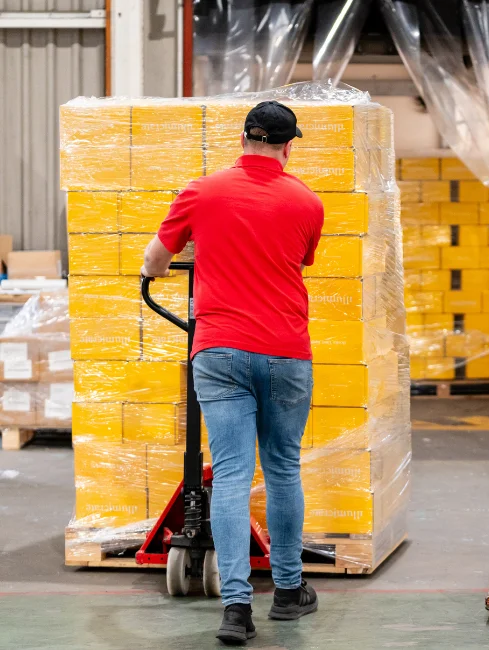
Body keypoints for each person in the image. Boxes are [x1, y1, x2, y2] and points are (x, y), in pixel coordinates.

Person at [141, 101, 324, 645]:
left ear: (242, 138)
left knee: (231, 476)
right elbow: (295, 258)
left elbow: (155, 260)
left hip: (219, 351)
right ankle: (289, 593)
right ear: (290, 146)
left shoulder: (199, 192)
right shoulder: (307, 202)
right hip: (288, 351)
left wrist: (191, 251)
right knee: (284, 467)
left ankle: (236, 610)